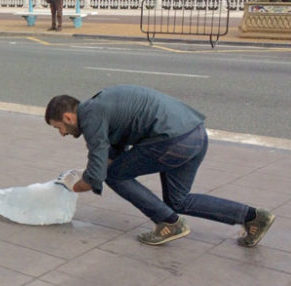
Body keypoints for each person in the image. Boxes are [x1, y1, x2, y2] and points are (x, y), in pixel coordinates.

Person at [46, 85, 274, 247]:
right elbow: (112, 151)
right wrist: (95, 170)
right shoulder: (101, 105)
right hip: (195, 134)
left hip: (171, 141)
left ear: (68, 117)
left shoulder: (91, 116)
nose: (62, 134)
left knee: (113, 176)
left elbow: (97, 172)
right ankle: (253, 217)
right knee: (178, 201)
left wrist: (70, 186)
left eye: (59, 128)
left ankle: (168, 222)